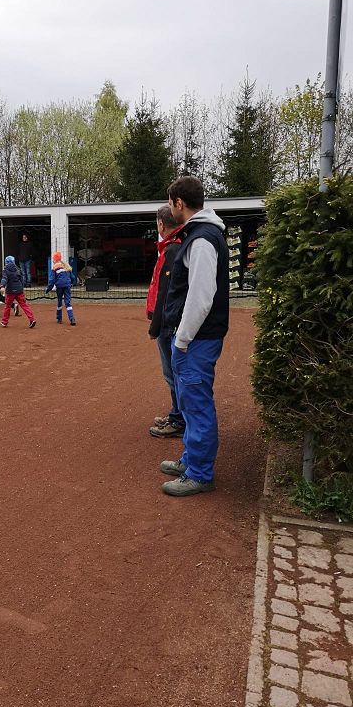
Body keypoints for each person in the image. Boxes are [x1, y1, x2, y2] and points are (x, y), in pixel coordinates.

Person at [158, 176, 229, 497]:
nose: (170, 207)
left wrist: (182, 339)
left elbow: (201, 297)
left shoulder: (202, 240)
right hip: (196, 338)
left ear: (179, 203)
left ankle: (200, 474)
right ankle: (191, 461)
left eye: (170, 202)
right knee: (189, 401)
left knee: (197, 404)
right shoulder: (200, 234)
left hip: (196, 340)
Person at [146, 205, 185, 438]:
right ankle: (176, 414)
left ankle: (179, 419)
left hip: (168, 323)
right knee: (173, 372)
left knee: (172, 373)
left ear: (161, 224)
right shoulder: (172, 247)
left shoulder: (172, 249)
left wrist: (156, 325)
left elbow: (165, 293)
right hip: (169, 321)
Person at [0, 256, 36, 328]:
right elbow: (21, 280)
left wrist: (2, 286)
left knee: (7, 306)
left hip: (10, 291)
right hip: (19, 290)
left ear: (6, 262)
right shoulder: (18, 269)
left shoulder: (5, 270)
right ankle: (32, 319)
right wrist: (21, 288)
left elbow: (4, 278)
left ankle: (4, 322)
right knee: (24, 305)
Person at [45, 251, 77, 325]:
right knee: (67, 302)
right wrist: (71, 283)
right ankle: (72, 318)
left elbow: (52, 280)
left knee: (59, 302)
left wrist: (48, 289)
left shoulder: (54, 268)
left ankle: (59, 318)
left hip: (59, 286)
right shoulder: (66, 266)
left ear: (54, 259)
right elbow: (73, 277)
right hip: (67, 286)